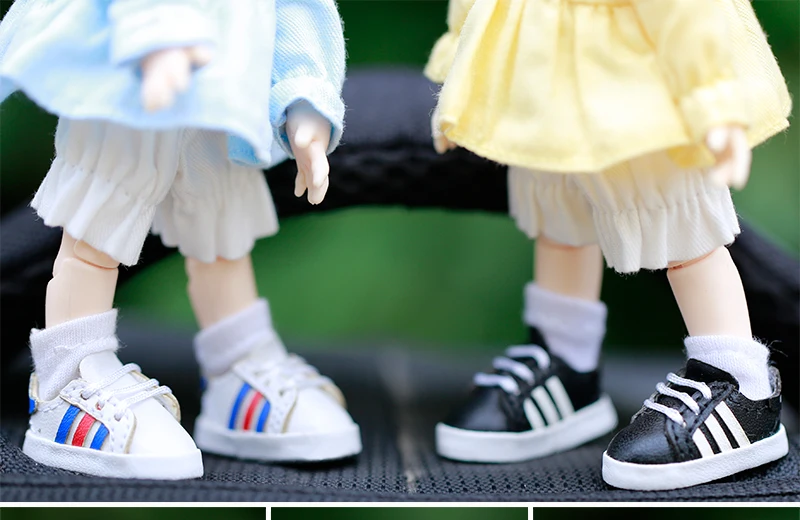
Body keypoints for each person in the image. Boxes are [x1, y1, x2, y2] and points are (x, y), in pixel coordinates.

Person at [427, 0, 791, 491]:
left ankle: (739, 382)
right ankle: (567, 361)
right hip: (544, 80)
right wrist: (462, 74)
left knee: (680, 223)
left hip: (635, 74)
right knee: (560, 213)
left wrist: (712, 96)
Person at [0, 0, 361, 481]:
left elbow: (295, 12)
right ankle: (67, 377)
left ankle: (237, 366)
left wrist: (305, 99)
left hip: (222, 85)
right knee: (101, 216)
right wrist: (154, 32)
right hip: (133, 73)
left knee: (221, 223)